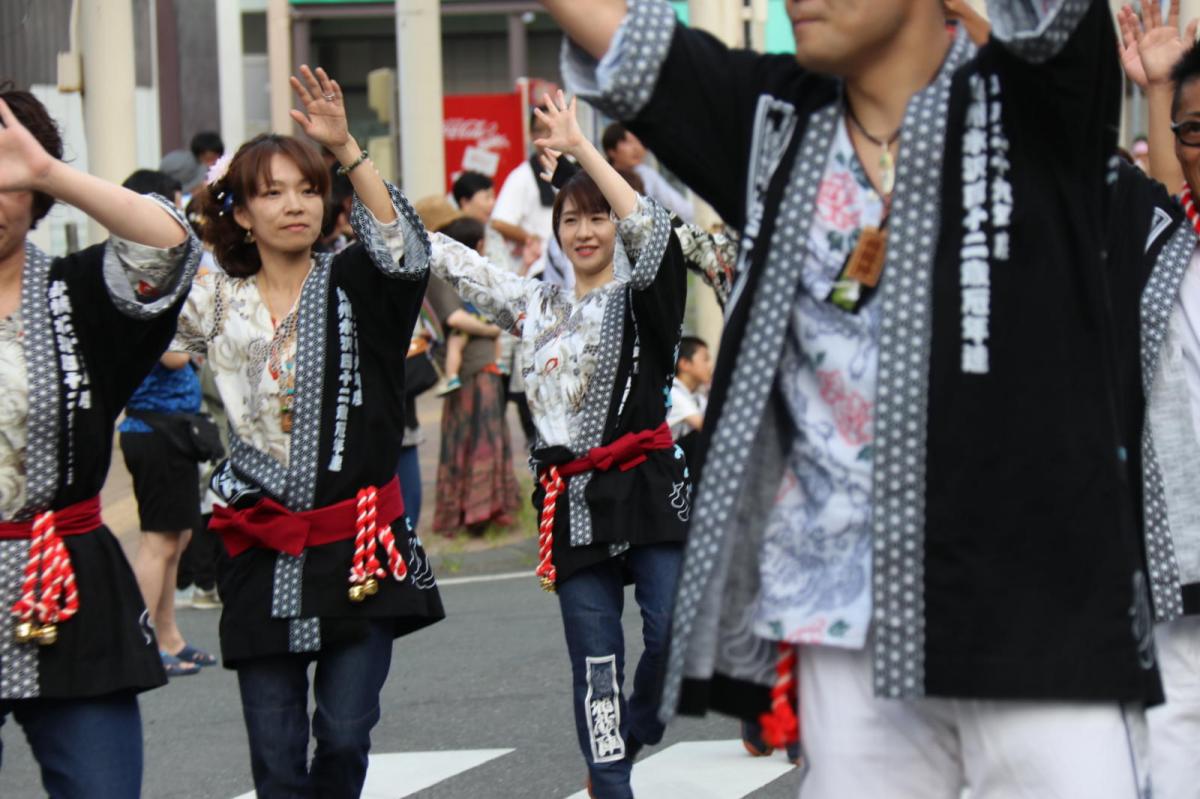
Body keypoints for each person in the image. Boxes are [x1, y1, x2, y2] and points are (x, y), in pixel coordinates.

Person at [545, 0, 1164, 795]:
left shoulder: (1038, 96)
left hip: (1038, 615)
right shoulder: (775, 119)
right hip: (845, 631)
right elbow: (621, 36)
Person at [174, 66, 444, 797]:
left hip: (358, 539)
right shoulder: (215, 300)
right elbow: (150, 267)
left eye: (307, 188)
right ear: (239, 212)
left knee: (347, 732)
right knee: (275, 751)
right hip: (258, 543)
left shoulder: (360, 280)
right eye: (271, 192)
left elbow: (405, 250)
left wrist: (347, 148)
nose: (293, 204)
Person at [431, 90, 689, 799]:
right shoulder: (536, 304)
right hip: (570, 496)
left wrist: (582, 151)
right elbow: (462, 266)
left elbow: (656, 227)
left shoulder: (647, 294)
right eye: (570, 218)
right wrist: (362, 178)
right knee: (595, 659)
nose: (583, 230)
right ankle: (611, 782)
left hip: (647, 482)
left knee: (668, 632)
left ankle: (639, 726)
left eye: (598, 217)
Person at [0, 84, 200, 797]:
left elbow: (170, 244)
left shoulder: (82, 294)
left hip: (73, 579)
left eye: (6, 170)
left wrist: (48, 169)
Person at [1117, 5, 1200, 797]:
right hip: (1180, 589)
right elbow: (1159, 209)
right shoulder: (1166, 256)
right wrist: (1160, 86)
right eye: (1191, 132)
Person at [117, 168, 215, 677]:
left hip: (169, 427)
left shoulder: (158, 271)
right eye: (170, 209)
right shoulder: (143, 278)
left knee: (175, 538)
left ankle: (169, 637)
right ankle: (141, 643)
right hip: (153, 427)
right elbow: (177, 356)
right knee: (158, 541)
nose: (179, 222)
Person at [418, 200, 521, 535]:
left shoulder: (447, 267)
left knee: (476, 436)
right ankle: (477, 511)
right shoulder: (437, 270)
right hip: (472, 366)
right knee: (478, 437)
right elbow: (454, 317)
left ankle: (482, 509)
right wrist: (494, 327)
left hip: (477, 362)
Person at [601, 123, 694, 222]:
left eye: (640, 141)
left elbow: (681, 208)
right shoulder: (600, 177)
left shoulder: (646, 175)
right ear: (611, 150)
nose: (637, 148)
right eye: (627, 142)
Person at [666, 336, 710, 468]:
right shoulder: (673, 393)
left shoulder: (696, 397)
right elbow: (706, 426)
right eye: (705, 359)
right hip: (666, 464)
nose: (711, 365)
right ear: (685, 364)